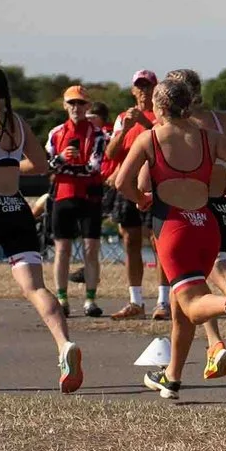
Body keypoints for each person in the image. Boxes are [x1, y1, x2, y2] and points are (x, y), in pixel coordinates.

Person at [109, 70, 226, 401]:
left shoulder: (151, 138)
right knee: (179, 310)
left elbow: (121, 182)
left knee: (190, 305)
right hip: (207, 227)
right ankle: (172, 377)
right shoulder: (209, 137)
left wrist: (140, 199)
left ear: (159, 108)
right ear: (189, 105)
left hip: (174, 229)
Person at [0, 62, 83, 393]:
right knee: (34, 286)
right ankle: (64, 345)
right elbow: (38, 164)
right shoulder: (18, 123)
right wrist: (8, 165)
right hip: (17, 208)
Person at [98, 70, 161, 318]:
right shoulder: (123, 117)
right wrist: (124, 129)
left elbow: (162, 140)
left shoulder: (161, 116)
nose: (144, 90)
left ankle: (163, 301)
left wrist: (145, 123)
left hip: (154, 185)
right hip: (129, 187)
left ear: (156, 89)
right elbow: (111, 154)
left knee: (158, 242)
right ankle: (136, 301)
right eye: (140, 86)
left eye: (148, 85)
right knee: (130, 240)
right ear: (133, 90)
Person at [44, 86, 110, 320]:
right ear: (65, 105)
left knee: (91, 248)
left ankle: (90, 299)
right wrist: (62, 160)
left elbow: (94, 166)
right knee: (62, 248)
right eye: (71, 103)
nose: (76, 108)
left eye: (81, 104)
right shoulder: (56, 133)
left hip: (90, 196)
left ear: (87, 107)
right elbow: (46, 165)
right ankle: (62, 298)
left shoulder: (98, 134)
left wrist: (62, 166)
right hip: (63, 195)